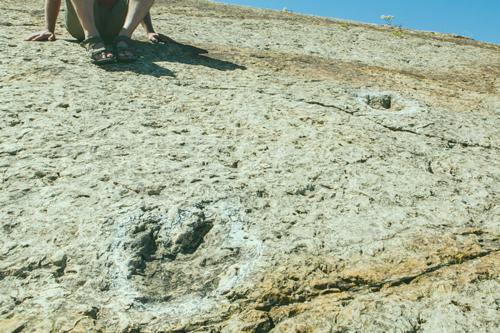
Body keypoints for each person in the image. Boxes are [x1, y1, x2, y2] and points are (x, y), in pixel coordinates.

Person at [27, 0, 173, 64]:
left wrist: (149, 31)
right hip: (83, 23)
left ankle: (124, 38)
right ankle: (92, 37)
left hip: (118, 27)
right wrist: (48, 28)